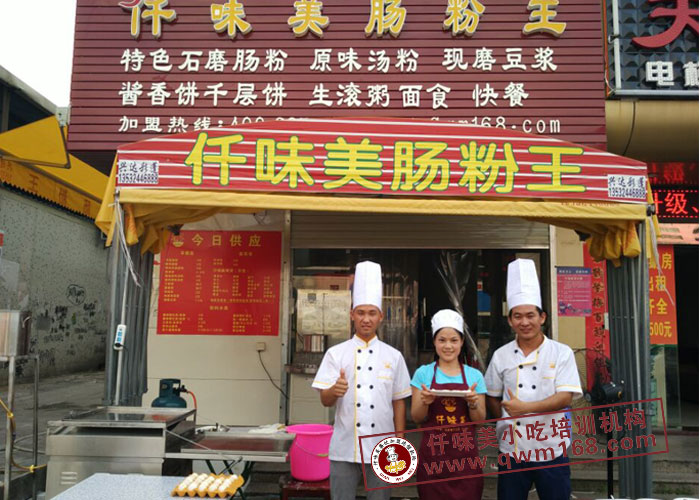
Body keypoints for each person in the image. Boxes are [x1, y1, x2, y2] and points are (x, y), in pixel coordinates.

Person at [484, 259, 583, 500]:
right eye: (518, 316)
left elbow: (564, 397)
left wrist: (524, 408)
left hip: (551, 447)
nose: (525, 322)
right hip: (512, 448)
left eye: (530, 315)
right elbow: (492, 396)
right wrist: (507, 418)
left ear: (542, 317)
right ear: (510, 320)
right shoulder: (501, 355)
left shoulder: (561, 352)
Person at [312, 261, 412, 500]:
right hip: (344, 445)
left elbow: (399, 401)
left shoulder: (393, 356)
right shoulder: (336, 354)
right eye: (360, 313)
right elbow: (325, 401)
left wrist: (400, 439)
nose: (366, 319)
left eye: (371, 313)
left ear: (380, 316)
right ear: (351, 315)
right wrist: (334, 390)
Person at [410, 309, 487, 500]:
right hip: (433, 459)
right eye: (442, 340)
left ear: (462, 342)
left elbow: (480, 421)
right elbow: (417, 417)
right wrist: (425, 402)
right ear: (434, 342)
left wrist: (473, 404)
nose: (448, 346)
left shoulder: (474, 375)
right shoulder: (423, 374)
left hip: (465, 461)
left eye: (454, 340)